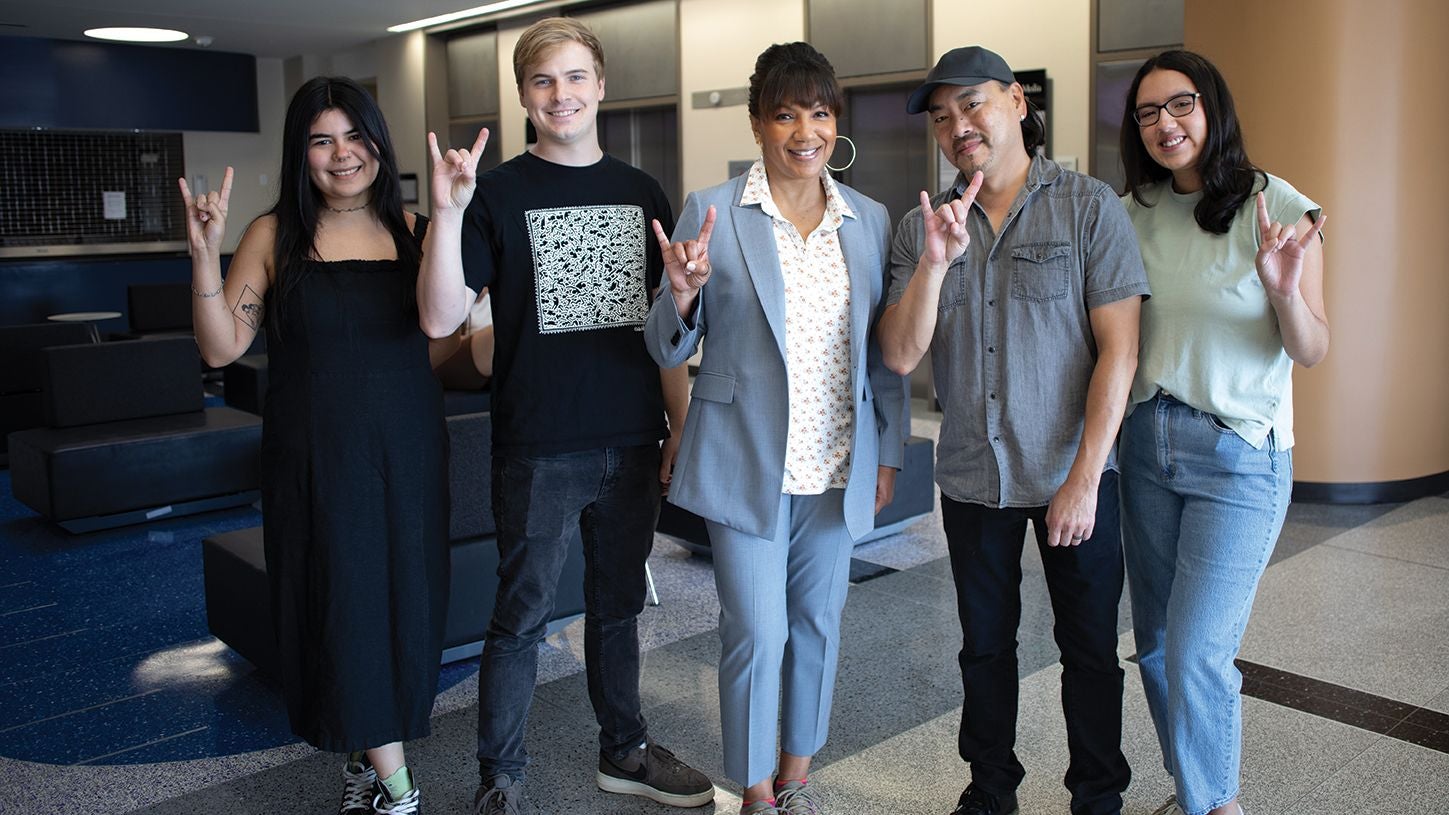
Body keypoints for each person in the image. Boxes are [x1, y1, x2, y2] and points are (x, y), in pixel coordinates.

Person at [414, 17, 713, 815]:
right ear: (523, 95)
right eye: (544, 81)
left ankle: (625, 750)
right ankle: (500, 779)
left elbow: (665, 333)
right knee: (519, 617)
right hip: (539, 446)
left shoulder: (641, 191)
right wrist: (448, 213)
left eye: (575, 76)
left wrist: (678, 424)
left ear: (601, 85)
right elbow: (441, 317)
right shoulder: (497, 193)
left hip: (629, 437)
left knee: (617, 610)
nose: (562, 94)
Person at [878, 46, 1149, 815]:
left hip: (1075, 475)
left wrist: (1084, 478)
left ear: (1017, 103)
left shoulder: (1089, 207)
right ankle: (989, 789)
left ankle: (1098, 795)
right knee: (984, 649)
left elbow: (1119, 352)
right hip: (973, 477)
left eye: (972, 105)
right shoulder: (921, 226)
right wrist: (933, 265)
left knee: (1091, 650)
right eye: (941, 117)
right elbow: (898, 354)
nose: (957, 125)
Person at [644, 41, 908, 815]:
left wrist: (887, 450)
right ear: (758, 121)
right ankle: (756, 788)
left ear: (837, 121)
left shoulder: (868, 219)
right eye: (786, 113)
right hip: (744, 462)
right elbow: (664, 343)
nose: (804, 130)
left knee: (817, 623)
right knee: (756, 632)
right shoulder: (714, 210)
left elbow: (881, 357)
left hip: (836, 463)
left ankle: (796, 774)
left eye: (819, 112)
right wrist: (683, 294)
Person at [181, 76, 448, 815]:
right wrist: (204, 254)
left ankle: (370, 755)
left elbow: (442, 333)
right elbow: (223, 344)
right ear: (301, 152)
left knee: (401, 604)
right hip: (315, 455)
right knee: (342, 601)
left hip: (406, 450)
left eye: (355, 136)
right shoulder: (274, 236)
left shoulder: (419, 229)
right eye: (321, 140)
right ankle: (397, 783)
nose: (342, 155)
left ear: (378, 141)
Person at [1117, 50, 1328, 815]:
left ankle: (1215, 806)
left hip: (1238, 453)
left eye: (1179, 105)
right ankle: (1194, 790)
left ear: (1211, 108)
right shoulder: (1131, 210)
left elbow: (1310, 348)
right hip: (1146, 446)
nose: (1164, 124)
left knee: (1198, 649)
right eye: (1146, 113)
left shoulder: (1276, 205)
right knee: (1155, 647)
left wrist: (1283, 292)